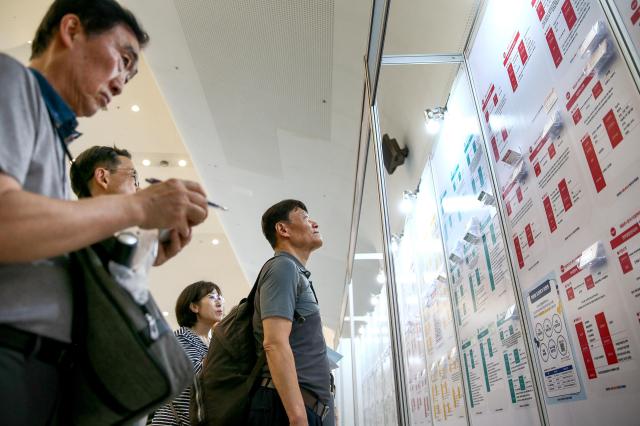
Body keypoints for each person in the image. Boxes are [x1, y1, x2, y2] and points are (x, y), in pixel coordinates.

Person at [0, 1, 208, 425]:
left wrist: (143, 253)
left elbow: (41, 249)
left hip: (43, 363)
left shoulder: (53, 135)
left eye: (131, 75)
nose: (122, 81)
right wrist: (134, 205)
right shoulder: (10, 80)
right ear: (71, 29)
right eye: (123, 59)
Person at [250, 199, 334, 426]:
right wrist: (298, 418)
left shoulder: (296, 273)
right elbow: (274, 343)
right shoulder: (282, 268)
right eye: (306, 218)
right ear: (283, 229)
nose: (314, 223)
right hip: (288, 411)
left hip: (304, 409)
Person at [70, 145, 181, 266]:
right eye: (133, 177)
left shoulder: (112, 245)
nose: (139, 188)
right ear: (103, 178)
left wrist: (141, 262)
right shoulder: (65, 233)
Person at [151, 281, 225, 425]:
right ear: (194, 306)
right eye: (212, 297)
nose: (219, 301)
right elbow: (198, 373)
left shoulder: (212, 342)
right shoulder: (180, 337)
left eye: (220, 297)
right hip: (172, 421)